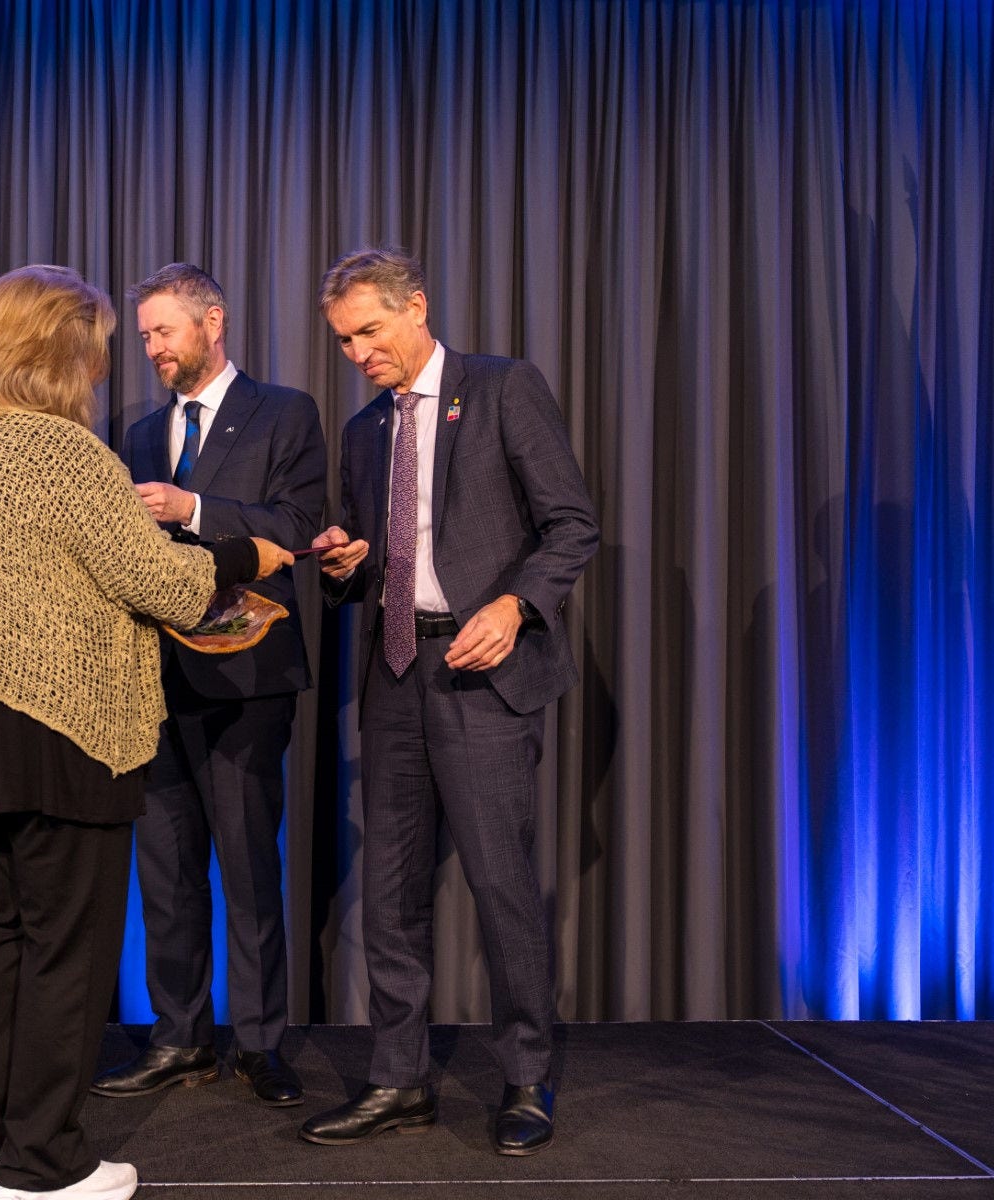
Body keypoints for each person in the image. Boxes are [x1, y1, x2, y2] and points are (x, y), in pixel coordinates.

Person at [0, 265, 294, 1200]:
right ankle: (44, 1166)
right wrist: (253, 554)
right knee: (66, 953)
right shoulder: (62, 454)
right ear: (58, 349)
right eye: (93, 346)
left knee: (2, 930)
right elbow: (159, 583)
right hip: (60, 726)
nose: (99, 365)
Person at [301, 249, 598, 1156]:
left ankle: (524, 1078)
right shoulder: (361, 433)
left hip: (481, 675)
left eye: (369, 331)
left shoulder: (504, 389)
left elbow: (571, 524)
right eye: (344, 340)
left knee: (501, 885)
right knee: (390, 895)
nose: (358, 352)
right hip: (394, 676)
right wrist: (345, 566)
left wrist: (515, 605)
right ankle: (397, 1078)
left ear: (416, 308)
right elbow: (367, 560)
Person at [93, 264, 324, 1108]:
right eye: (145, 335)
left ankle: (260, 1043)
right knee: (165, 868)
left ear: (212, 321)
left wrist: (191, 509)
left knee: (248, 865)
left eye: (163, 330)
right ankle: (179, 1037)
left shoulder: (285, 412)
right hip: (152, 677)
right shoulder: (139, 429)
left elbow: (297, 526)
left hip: (246, 672)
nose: (151, 347)